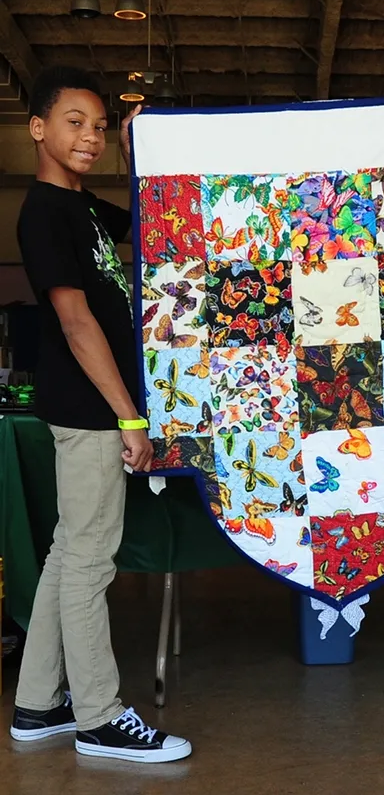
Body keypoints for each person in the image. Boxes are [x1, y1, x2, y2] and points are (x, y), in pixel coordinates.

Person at [10, 66, 191, 763]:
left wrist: (147, 144)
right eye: (73, 123)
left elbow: (162, 212)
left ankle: (36, 704)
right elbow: (77, 320)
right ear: (38, 129)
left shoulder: (82, 207)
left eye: (99, 125)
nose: (89, 137)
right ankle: (99, 716)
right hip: (90, 412)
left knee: (66, 554)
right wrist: (129, 417)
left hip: (91, 409)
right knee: (89, 562)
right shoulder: (44, 213)